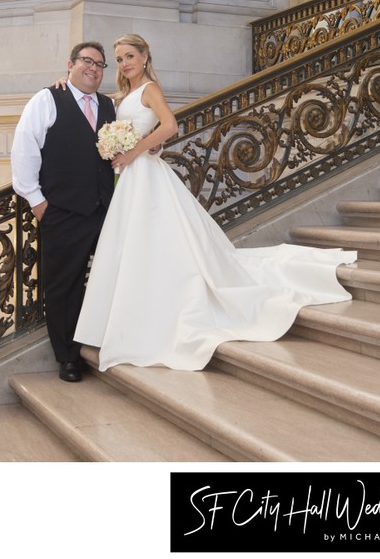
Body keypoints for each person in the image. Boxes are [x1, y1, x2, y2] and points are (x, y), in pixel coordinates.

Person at [73, 34, 357, 372]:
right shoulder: (122, 95)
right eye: (119, 59)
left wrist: (136, 150)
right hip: (131, 178)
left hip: (145, 174)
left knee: (156, 238)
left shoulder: (149, 89)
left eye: (131, 56)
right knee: (133, 242)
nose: (125, 63)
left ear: (146, 57)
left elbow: (170, 125)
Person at [10, 41, 115, 382]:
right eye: (87, 61)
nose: (94, 68)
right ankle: (68, 356)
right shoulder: (46, 99)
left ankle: (104, 343)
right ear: (70, 65)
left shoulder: (110, 106)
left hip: (105, 210)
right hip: (63, 212)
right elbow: (25, 150)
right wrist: (38, 203)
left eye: (100, 64)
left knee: (108, 279)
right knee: (64, 286)